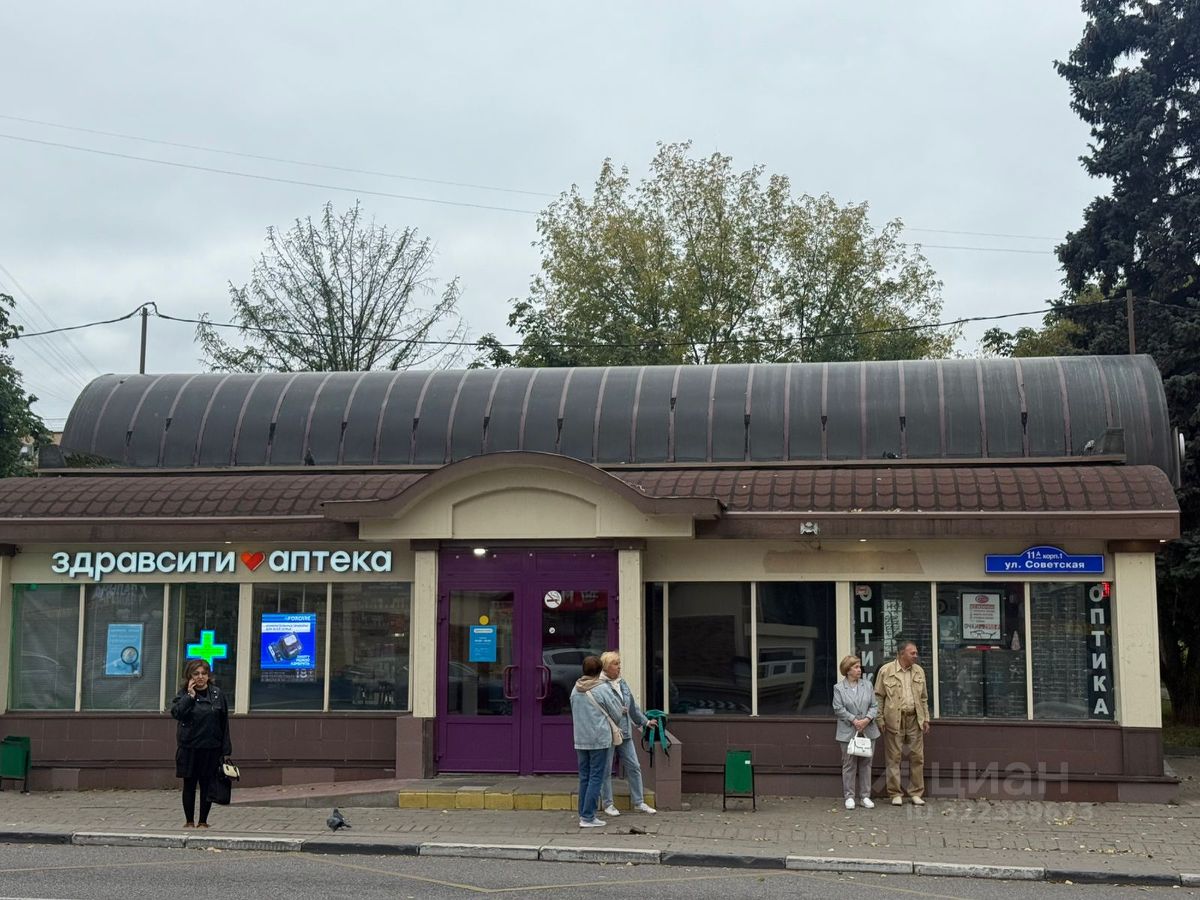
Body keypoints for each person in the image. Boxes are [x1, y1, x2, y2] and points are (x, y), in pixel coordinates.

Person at [170, 658, 232, 828]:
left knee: (207, 785)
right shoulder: (183, 694)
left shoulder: (217, 694)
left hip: (211, 747)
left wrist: (226, 750)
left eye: (204, 673)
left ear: (208, 676)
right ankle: (189, 821)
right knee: (189, 784)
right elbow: (177, 713)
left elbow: (224, 722)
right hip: (189, 747)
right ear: (189, 676)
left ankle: (203, 821)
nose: (200, 677)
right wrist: (190, 696)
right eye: (196, 673)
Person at [597, 651, 656, 816]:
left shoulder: (621, 683)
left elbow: (632, 706)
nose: (619, 667)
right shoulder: (600, 685)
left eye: (619, 664)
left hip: (624, 731)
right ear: (606, 667)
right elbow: (597, 709)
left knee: (634, 766)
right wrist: (617, 709)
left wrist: (645, 721)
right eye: (615, 664)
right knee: (606, 769)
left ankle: (639, 802)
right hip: (608, 732)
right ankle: (608, 804)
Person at [874, 640, 931, 806]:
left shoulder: (919, 671)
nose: (916, 656)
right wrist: (880, 718)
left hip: (914, 719)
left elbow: (924, 698)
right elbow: (878, 696)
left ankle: (916, 793)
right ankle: (895, 793)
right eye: (912, 653)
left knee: (917, 757)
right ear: (901, 654)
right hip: (894, 720)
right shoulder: (886, 670)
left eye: (916, 653)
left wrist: (926, 718)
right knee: (893, 758)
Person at [569, 654, 622, 828]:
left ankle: (583, 813)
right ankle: (588, 816)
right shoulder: (602, 689)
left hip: (580, 738)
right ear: (600, 671)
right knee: (596, 777)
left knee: (584, 777)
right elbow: (616, 713)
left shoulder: (575, 689)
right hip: (599, 739)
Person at [832, 654, 879, 809]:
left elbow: (874, 706)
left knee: (866, 764)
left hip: (868, 729)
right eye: (856, 667)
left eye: (860, 667)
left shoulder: (867, 685)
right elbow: (838, 708)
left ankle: (865, 796)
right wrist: (854, 720)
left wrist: (866, 719)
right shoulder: (839, 688)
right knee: (849, 764)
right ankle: (849, 797)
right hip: (848, 731)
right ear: (848, 670)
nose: (860, 670)